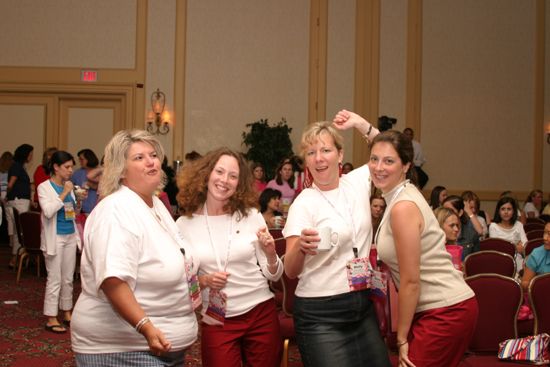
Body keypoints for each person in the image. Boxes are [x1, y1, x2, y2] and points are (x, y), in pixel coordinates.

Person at [71, 130, 199, 366]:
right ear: (120, 170)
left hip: (160, 347)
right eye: (139, 158)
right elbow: (113, 281)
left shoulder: (155, 204)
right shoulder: (116, 210)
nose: (151, 161)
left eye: (153, 155)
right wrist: (146, 327)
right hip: (124, 350)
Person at [283, 111, 391, 367]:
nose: (319, 158)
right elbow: (290, 269)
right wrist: (301, 247)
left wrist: (361, 125)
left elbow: (391, 154)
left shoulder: (357, 183)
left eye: (326, 150)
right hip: (320, 313)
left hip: (362, 305)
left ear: (340, 155)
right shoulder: (304, 203)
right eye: (311, 153)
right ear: (306, 162)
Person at [368, 129, 477, 367]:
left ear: (406, 165)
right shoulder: (401, 194)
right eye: (374, 159)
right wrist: (363, 126)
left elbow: (411, 281)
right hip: (440, 308)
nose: (379, 167)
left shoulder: (402, 207)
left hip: (445, 310)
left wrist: (402, 337)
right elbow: (388, 145)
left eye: (389, 161)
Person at [175, 147, 283, 367]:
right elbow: (179, 283)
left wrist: (271, 255)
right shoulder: (183, 225)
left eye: (233, 176)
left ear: (239, 183)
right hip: (217, 318)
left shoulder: (251, 216)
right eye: (220, 172)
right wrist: (203, 281)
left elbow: (274, 275)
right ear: (207, 174)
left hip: (260, 311)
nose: (225, 180)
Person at [38, 150, 81, 334]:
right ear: (56, 167)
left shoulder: (68, 186)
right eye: (67, 167)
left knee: (68, 278)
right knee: (54, 279)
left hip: (70, 235)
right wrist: (64, 193)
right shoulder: (44, 187)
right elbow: (48, 211)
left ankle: (67, 312)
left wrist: (78, 201)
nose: (70, 170)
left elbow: (71, 213)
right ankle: (51, 317)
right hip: (54, 238)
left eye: (72, 166)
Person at [6, 144, 34, 268]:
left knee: (18, 230)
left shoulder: (19, 166)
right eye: (30, 154)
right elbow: (10, 184)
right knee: (19, 231)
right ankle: (14, 259)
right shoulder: (17, 167)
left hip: (19, 201)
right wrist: (7, 195)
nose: (31, 156)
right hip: (19, 201)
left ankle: (16, 258)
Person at [489, 196, 527, 270]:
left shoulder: (519, 225)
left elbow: (525, 245)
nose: (506, 212)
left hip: (517, 259)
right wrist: (515, 247)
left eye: (509, 209)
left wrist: (519, 248)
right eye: (503, 209)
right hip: (500, 260)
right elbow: (496, 248)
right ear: (499, 211)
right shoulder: (493, 226)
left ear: (513, 211)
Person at [521, 222, 550, 290]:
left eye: (549, 234)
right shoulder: (537, 253)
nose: (544, 238)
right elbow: (524, 283)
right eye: (544, 233)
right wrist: (538, 285)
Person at [71, 148, 99, 215]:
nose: (80, 161)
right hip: (81, 211)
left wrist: (92, 185)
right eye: (79, 159)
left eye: (81, 159)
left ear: (89, 159)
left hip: (97, 210)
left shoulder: (99, 172)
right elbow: (71, 189)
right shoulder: (77, 174)